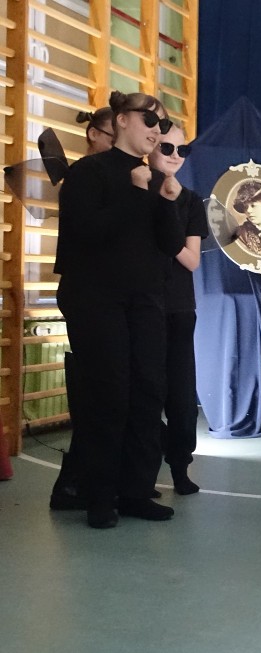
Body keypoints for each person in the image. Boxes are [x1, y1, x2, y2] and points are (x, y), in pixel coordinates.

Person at [55, 90, 184, 528]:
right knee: (107, 395)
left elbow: (170, 245)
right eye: (149, 120)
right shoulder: (87, 173)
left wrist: (167, 201)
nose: (156, 131)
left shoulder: (154, 177)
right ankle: (99, 496)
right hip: (96, 299)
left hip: (145, 300)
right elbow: (88, 233)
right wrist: (135, 193)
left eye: (162, 125)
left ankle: (136, 491)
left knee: (148, 393)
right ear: (122, 120)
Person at [49, 107, 118, 508]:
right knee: (95, 390)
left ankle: (86, 480)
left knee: (103, 391)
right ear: (94, 134)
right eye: (111, 135)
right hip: (86, 290)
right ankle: (74, 483)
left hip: (102, 290)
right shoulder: (83, 176)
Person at [149, 125, 207, 495]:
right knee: (142, 393)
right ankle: (142, 470)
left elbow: (192, 260)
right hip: (141, 306)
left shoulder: (190, 200)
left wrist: (168, 230)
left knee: (182, 395)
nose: (175, 156)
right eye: (167, 147)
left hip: (179, 308)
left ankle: (180, 466)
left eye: (182, 149)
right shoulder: (136, 194)